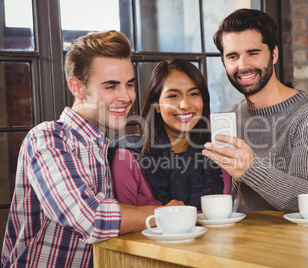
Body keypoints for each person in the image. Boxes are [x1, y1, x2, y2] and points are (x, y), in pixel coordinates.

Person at [1, 30, 182, 268]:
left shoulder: (102, 145)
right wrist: (163, 214)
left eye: (129, 84)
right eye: (111, 87)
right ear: (77, 88)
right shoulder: (47, 138)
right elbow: (90, 217)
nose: (126, 96)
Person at [202, 9, 308, 213]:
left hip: (295, 242)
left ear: (273, 54)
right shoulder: (230, 117)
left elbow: (307, 199)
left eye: (253, 53)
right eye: (232, 56)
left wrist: (249, 168)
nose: (243, 65)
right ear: (224, 62)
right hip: (239, 240)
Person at [109, 58, 230, 212]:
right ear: (156, 106)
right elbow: (121, 224)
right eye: (173, 96)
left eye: (193, 94)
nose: (185, 105)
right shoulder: (128, 159)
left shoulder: (218, 159)